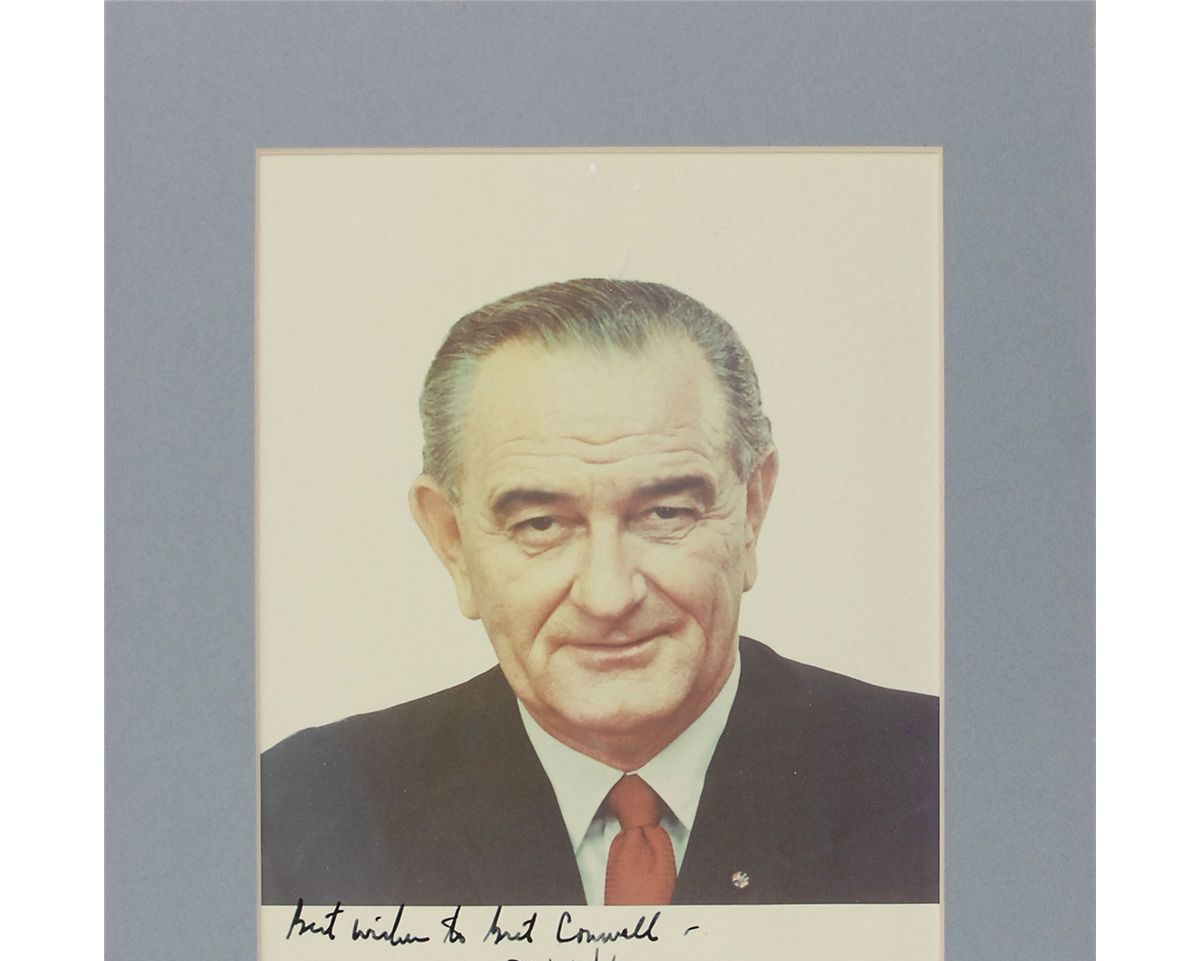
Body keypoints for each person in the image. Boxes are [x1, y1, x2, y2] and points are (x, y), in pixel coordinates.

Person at [260, 279, 939, 907]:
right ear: (453, 542)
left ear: (752, 511)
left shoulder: (935, 778)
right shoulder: (305, 813)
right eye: (541, 524)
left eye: (665, 513)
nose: (609, 597)